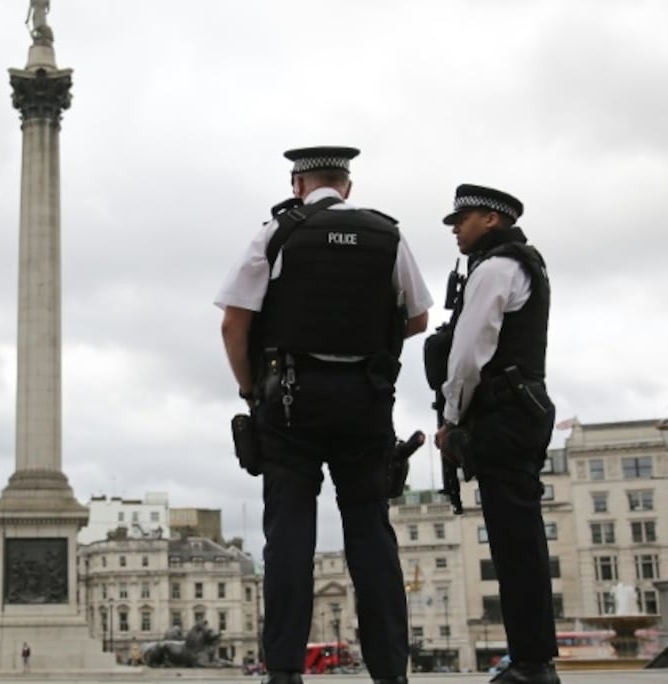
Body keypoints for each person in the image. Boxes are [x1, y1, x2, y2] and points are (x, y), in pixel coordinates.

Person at [216, 146, 431, 684]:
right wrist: (367, 344)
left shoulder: (276, 234)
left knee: (289, 535)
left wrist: (250, 391)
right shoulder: (388, 234)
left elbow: (233, 323)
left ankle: (286, 670)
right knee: (371, 533)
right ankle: (390, 672)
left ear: (298, 184)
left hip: (291, 399)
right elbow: (420, 317)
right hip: (366, 399)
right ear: (348, 186)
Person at [431, 185, 557, 684]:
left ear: (489, 218)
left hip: (503, 414)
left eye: (461, 220)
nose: (456, 229)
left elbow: (468, 352)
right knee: (518, 539)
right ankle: (532, 656)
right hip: (521, 408)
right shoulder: (524, 264)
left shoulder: (496, 268)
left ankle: (531, 662)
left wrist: (452, 417)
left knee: (514, 542)